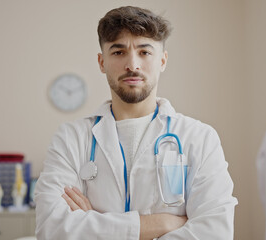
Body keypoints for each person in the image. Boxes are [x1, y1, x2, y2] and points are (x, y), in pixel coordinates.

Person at [35, 6, 237, 240]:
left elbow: (214, 232)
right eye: (118, 52)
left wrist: (94, 225)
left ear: (162, 60)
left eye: (144, 52)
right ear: (101, 62)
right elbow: (51, 228)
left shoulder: (200, 138)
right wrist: (161, 222)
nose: (132, 64)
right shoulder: (71, 138)